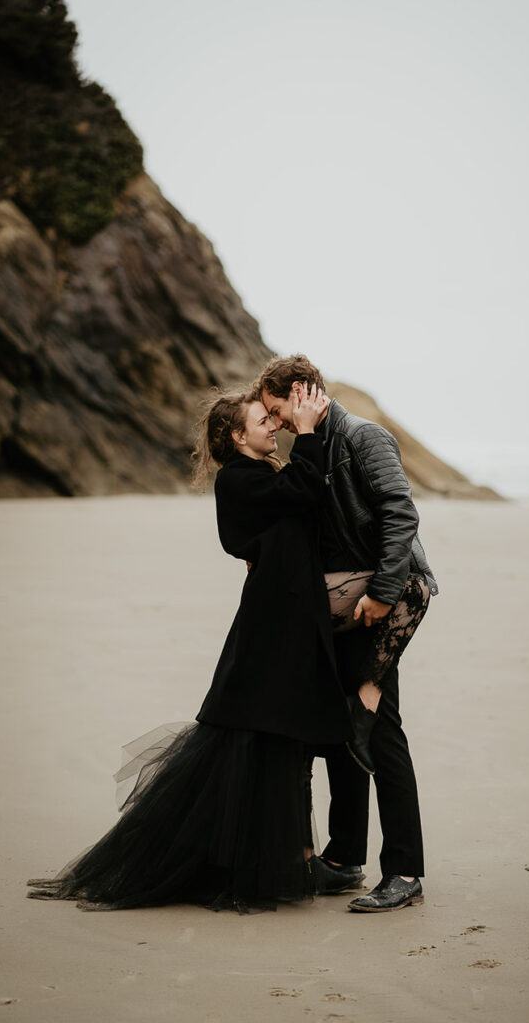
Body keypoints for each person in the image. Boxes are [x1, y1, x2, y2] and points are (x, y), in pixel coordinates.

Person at [27, 386, 353, 911]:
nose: (274, 426)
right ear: (234, 436)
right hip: (274, 623)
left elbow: (293, 508)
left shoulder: (259, 477)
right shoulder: (238, 479)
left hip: (289, 616)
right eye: (263, 421)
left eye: (274, 419)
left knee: (283, 737)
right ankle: (260, 861)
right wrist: (310, 433)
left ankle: (298, 855)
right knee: (252, 737)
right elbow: (304, 490)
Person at [258, 355, 437, 913]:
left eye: (274, 408)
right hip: (343, 606)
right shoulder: (312, 442)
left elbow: (399, 514)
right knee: (341, 732)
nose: (276, 421)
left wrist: (383, 592)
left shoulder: (365, 436)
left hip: (382, 601)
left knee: (380, 732)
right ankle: (343, 860)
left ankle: (405, 871)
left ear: (302, 393)